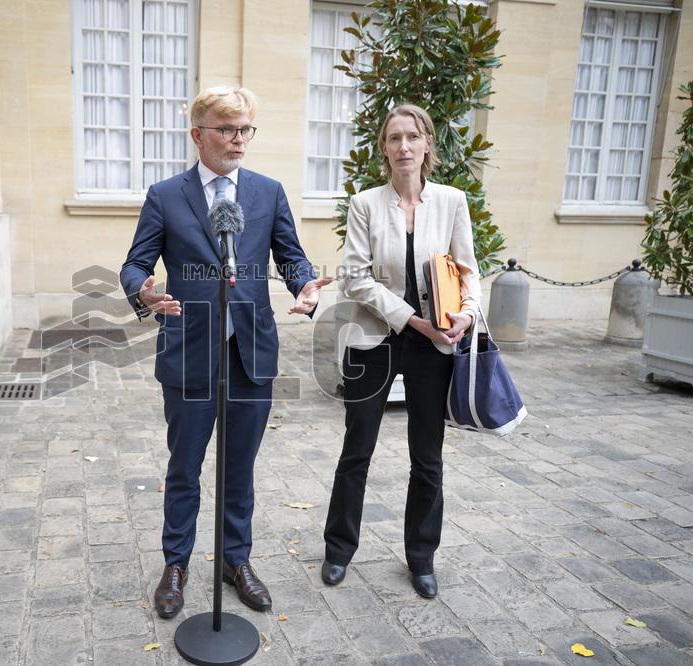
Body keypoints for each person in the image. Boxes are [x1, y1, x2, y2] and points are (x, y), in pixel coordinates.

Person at [120, 86, 332, 619]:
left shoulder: (268, 192)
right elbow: (136, 263)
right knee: (185, 467)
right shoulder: (165, 196)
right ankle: (176, 564)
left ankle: (237, 562)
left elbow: (291, 257)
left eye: (245, 130)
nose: (238, 140)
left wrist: (305, 285)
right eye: (227, 129)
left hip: (250, 352)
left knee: (240, 468)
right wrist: (143, 291)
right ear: (199, 134)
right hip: (189, 351)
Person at [322, 104, 481, 599]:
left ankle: (421, 557)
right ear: (384, 148)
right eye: (394, 138)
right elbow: (355, 278)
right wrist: (412, 319)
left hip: (435, 345)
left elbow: (468, 271)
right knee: (357, 450)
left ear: (428, 142)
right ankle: (338, 549)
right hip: (374, 339)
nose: (404, 146)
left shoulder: (452, 201)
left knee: (427, 457)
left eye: (413, 136)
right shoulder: (365, 204)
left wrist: (466, 315)